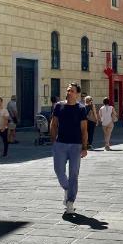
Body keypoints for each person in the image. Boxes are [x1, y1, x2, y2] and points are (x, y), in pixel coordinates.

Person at [50, 83, 88, 214]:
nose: (69, 92)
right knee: (58, 170)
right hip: (60, 144)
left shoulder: (81, 108)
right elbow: (53, 124)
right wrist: (53, 141)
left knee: (74, 174)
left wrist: (85, 147)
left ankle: (70, 202)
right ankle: (67, 188)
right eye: (67, 90)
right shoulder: (59, 106)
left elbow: (84, 129)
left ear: (77, 93)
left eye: (71, 91)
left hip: (76, 146)